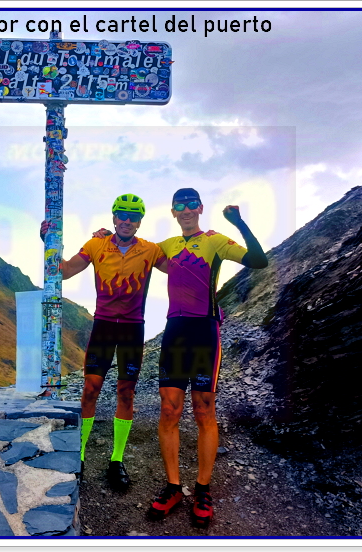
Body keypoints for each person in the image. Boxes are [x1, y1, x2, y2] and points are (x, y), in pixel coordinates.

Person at [146, 188, 268, 528]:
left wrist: (239, 223)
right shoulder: (167, 246)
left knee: (203, 411)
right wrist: (107, 236)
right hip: (174, 331)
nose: (185, 210)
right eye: (179, 205)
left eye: (191, 204)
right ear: (172, 211)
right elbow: (133, 251)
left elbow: (258, 261)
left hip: (204, 332)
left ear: (200, 208)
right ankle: (173, 487)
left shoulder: (214, 240)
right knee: (169, 410)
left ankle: (202, 489)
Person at [40, 194, 167, 491]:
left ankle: (116, 460)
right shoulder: (96, 245)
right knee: (90, 390)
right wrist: (48, 242)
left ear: (140, 221)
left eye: (133, 216)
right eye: (122, 214)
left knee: (126, 393)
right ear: (114, 217)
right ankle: (81, 455)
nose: (127, 220)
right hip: (104, 327)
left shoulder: (151, 250)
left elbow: (180, 273)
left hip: (133, 329)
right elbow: (65, 271)